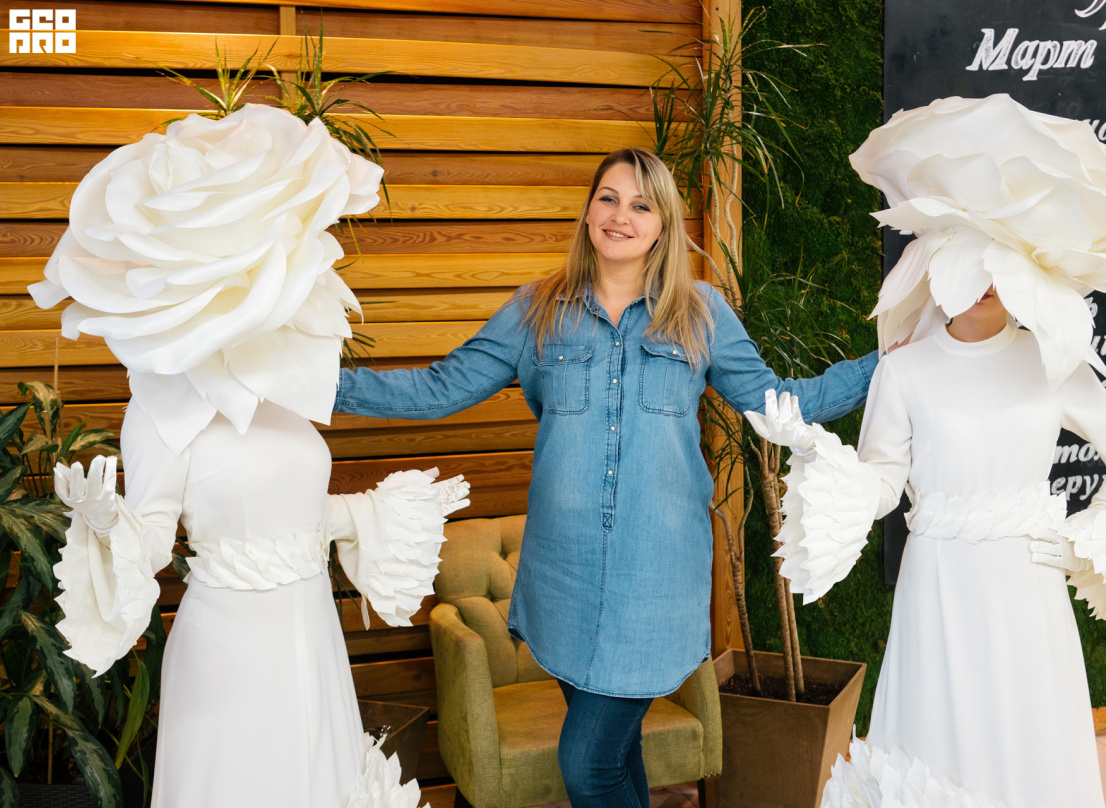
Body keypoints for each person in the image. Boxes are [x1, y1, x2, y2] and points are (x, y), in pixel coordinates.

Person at [332, 147, 879, 807]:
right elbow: (439, 389)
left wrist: (889, 363)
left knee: (587, 764)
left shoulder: (700, 312)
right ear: (589, 210)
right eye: (609, 199)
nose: (622, 216)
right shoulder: (536, 309)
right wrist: (319, 384)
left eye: (642, 205)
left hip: (657, 582)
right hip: (563, 576)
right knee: (615, 761)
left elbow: (785, 404)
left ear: (663, 223)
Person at [31, 104, 461, 808]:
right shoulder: (162, 404)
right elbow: (154, 544)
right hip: (229, 658)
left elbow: (291, 506)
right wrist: (108, 527)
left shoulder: (286, 382)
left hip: (311, 634)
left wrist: (383, 511)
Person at [748, 95, 1106, 808]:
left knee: (1029, 743)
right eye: (969, 267)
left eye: (1001, 270)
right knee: (936, 742)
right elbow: (884, 482)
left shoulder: (1051, 362)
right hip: (938, 587)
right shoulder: (904, 370)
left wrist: (1102, 527)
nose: (984, 286)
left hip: (1028, 585)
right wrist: (818, 451)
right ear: (936, 266)